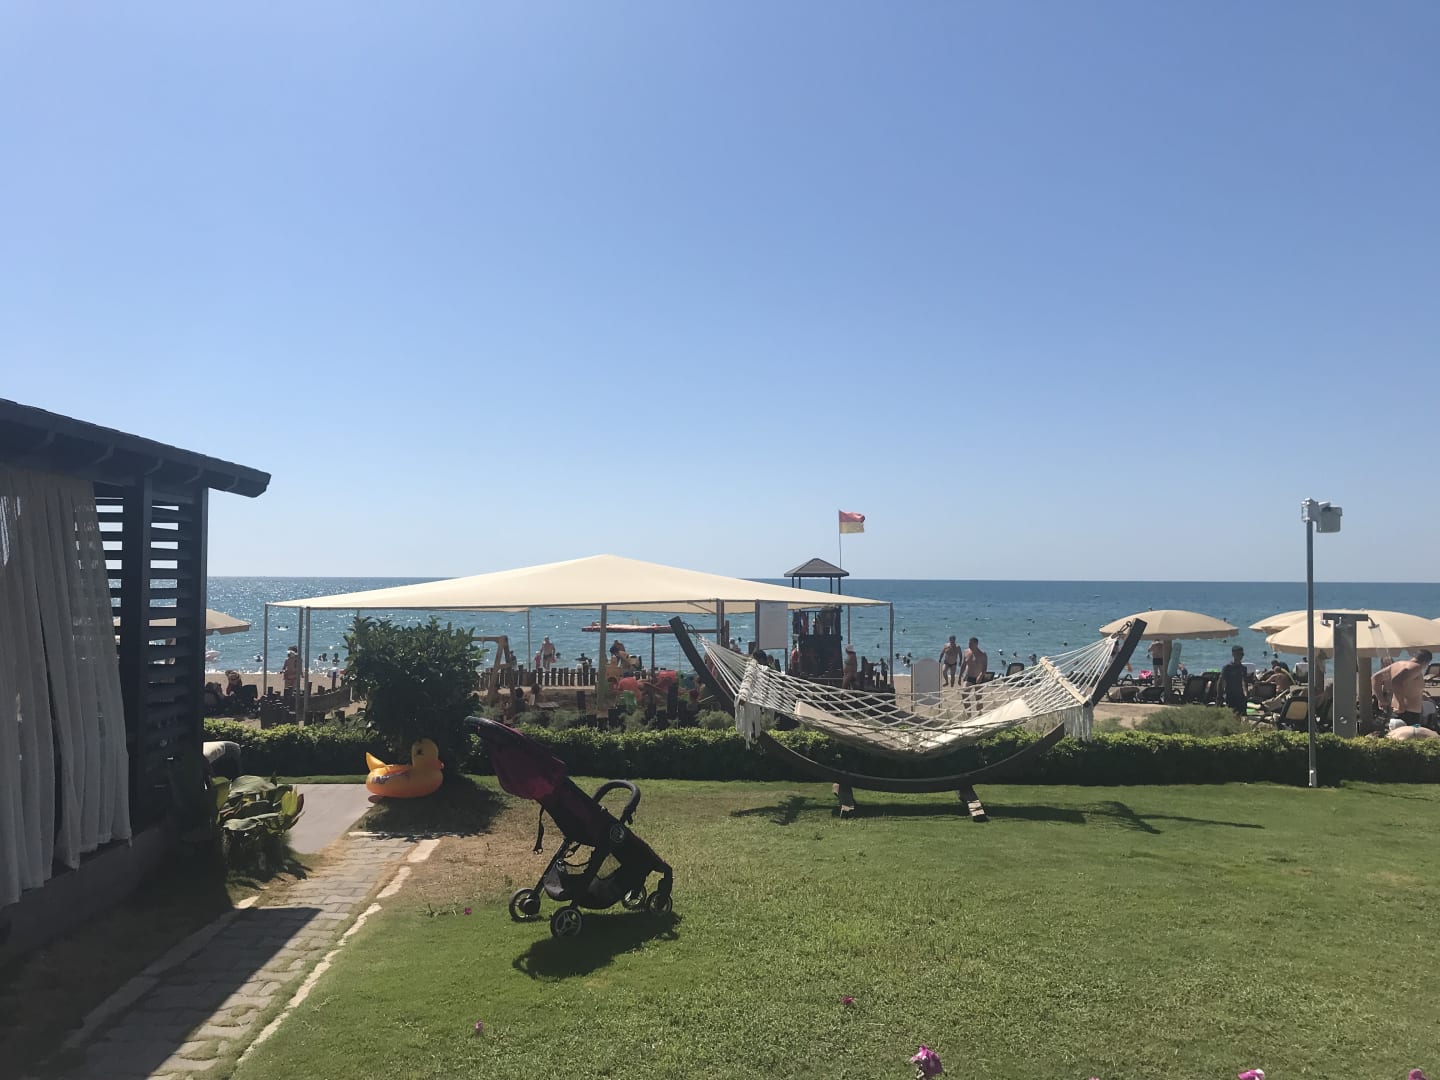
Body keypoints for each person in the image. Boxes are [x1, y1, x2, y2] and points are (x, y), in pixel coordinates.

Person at [1373, 650, 1433, 728]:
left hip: (1397, 711)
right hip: (1409, 714)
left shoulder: (1396, 665)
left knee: (1396, 735)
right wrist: (1401, 704)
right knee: (1412, 735)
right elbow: (1396, 681)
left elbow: (1375, 678)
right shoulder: (1416, 667)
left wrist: (1381, 700)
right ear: (1426, 662)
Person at [1218, 646, 1249, 717]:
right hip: (1230, 695)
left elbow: (1245, 682)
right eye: (1238, 654)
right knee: (1232, 716)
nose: (1240, 656)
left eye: (1242, 654)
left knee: (1242, 716)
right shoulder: (1227, 667)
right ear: (1233, 654)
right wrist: (1219, 696)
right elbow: (1221, 682)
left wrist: (1246, 694)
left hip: (1240, 696)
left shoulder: (1243, 668)